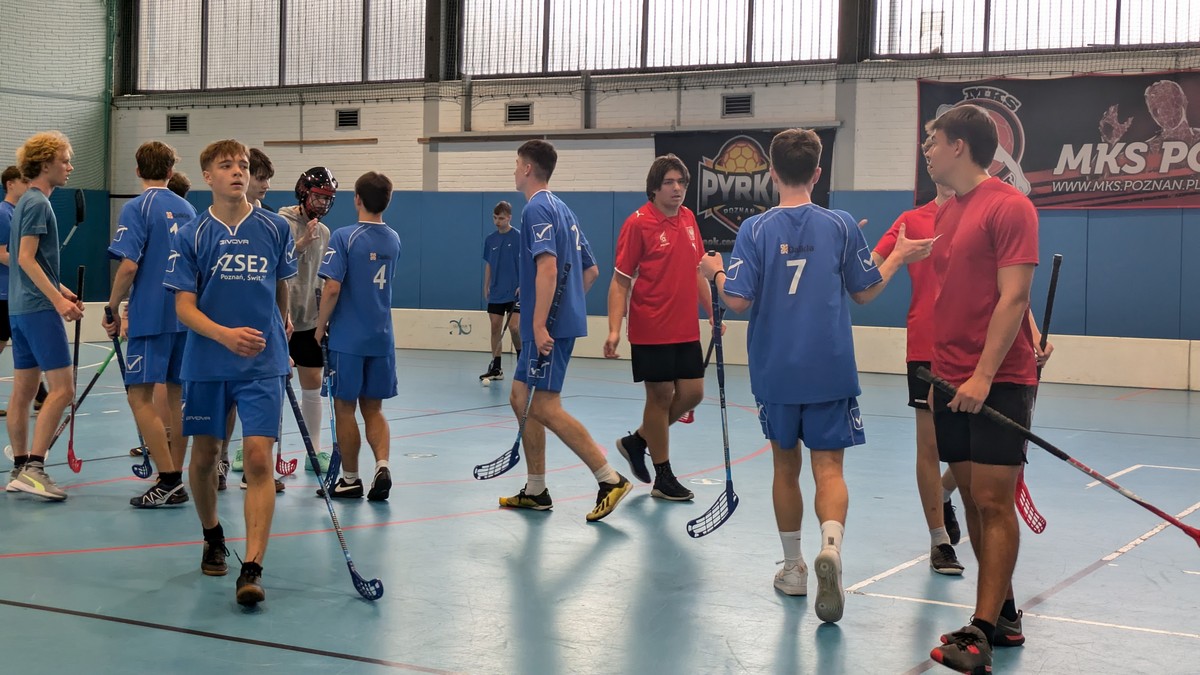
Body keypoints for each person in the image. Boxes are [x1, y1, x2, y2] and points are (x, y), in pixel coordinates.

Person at [699, 128, 932, 623]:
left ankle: (794, 568)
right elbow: (864, 291)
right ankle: (831, 546)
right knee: (830, 469)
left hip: (776, 370)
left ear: (771, 174)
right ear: (818, 173)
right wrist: (898, 256)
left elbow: (736, 300)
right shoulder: (841, 224)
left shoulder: (755, 229)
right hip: (829, 368)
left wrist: (713, 271)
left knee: (785, 468)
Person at [922, 105, 1040, 674]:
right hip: (948, 377)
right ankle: (1005, 611)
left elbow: (1014, 295)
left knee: (994, 501)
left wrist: (984, 375)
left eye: (933, 140)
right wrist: (943, 374)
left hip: (997, 379)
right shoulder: (950, 211)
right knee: (970, 498)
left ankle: (982, 631)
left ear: (960, 145)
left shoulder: (1009, 205)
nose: (927, 150)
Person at [164, 139, 297, 605]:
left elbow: (280, 285)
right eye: (227, 165)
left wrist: (282, 328)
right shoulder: (192, 233)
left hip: (262, 364)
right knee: (204, 457)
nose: (238, 171)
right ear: (208, 176)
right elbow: (184, 307)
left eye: (243, 165)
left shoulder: (275, 227)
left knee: (258, 459)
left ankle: (253, 567)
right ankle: (213, 535)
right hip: (207, 363)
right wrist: (224, 335)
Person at [498, 139, 631, 522]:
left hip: (547, 328)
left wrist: (542, 321)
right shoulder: (563, 209)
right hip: (559, 319)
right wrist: (566, 303)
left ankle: (609, 479)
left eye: (516, 163)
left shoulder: (536, 208)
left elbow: (549, 268)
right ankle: (536, 489)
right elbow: (591, 271)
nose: (514, 170)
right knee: (520, 397)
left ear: (527, 168)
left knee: (543, 405)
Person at [605, 154, 714, 501]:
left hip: (685, 327)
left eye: (681, 182)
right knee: (661, 396)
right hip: (651, 326)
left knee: (693, 393)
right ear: (654, 188)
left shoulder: (689, 219)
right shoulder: (638, 223)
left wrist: (712, 312)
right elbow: (620, 281)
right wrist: (613, 329)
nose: (677, 188)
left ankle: (638, 440)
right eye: (669, 182)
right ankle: (663, 478)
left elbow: (697, 271)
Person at [103, 140, 196, 508]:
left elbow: (129, 265)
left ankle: (169, 479)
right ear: (171, 172)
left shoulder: (136, 207)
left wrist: (112, 306)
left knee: (138, 396)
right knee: (176, 395)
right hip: (185, 314)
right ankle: (174, 475)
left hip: (151, 314)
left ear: (138, 170)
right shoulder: (189, 208)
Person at [4, 132, 84, 501]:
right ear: (46, 162)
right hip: (38, 309)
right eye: (64, 160)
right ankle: (34, 470)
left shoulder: (25, 201)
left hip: (20, 309)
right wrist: (57, 301)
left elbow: (29, 260)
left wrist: (61, 289)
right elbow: (24, 258)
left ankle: (20, 467)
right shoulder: (38, 203)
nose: (70, 167)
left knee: (22, 392)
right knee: (63, 389)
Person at [313, 171, 400, 501]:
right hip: (382, 338)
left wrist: (319, 327)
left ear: (357, 199)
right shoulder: (393, 239)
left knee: (345, 408)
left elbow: (332, 287)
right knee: (374, 410)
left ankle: (350, 479)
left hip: (348, 340)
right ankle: (382, 465)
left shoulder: (344, 236)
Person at [224, 147, 285, 493]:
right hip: (225, 337)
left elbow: (280, 280)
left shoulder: (272, 222)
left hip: (263, 338)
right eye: (260, 177)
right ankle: (221, 460)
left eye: (265, 178)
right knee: (226, 409)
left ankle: (255, 470)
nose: (265, 185)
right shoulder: (213, 225)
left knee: (260, 410)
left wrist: (283, 321)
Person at [281, 167, 336, 476]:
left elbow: (323, 276)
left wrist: (323, 319)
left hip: (310, 320)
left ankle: (313, 450)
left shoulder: (325, 233)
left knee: (312, 385)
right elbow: (275, 266)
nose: (322, 204)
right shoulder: (281, 223)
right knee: (270, 388)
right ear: (303, 193)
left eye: (327, 199)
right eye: (318, 197)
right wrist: (300, 244)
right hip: (282, 318)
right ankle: (248, 448)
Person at [1, 166, 49, 418]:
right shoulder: (3, 213)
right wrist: (29, 268)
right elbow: (2, 254)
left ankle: (41, 396)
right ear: (10, 184)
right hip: (4, 292)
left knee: (29, 348)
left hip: (18, 293)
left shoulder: (21, 210)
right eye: (23, 181)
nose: (28, 184)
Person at [480, 200, 521, 381]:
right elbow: (489, 264)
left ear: (509, 218)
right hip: (496, 291)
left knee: (514, 328)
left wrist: (523, 284)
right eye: (495, 218)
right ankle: (496, 368)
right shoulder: (490, 240)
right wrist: (486, 285)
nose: (497, 221)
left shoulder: (519, 237)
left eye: (501, 218)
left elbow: (528, 263)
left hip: (515, 292)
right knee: (495, 327)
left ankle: (522, 363)